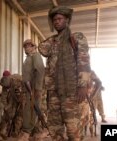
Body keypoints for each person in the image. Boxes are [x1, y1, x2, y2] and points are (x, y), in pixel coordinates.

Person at [38, 6, 91, 141]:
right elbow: (42, 49)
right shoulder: (53, 41)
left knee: (73, 130)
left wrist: (83, 85)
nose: (56, 22)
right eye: (54, 20)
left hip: (71, 91)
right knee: (55, 129)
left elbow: (84, 61)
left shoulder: (77, 37)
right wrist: (56, 38)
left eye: (60, 19)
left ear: (67, 20)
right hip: (54, 92)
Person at [17, 39, 45, 141]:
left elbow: (40, 70)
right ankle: (35, 132)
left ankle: (27, 132)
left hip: (33, 88)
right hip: (27, 89)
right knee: (29, 109)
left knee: (31, 110)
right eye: (25, 46)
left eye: (29, 46)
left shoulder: (35, 56)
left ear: (34, 47)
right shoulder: (28, 58)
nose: (26, 48)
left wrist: (37, 89)